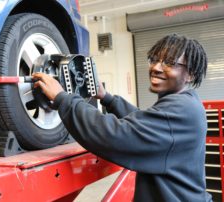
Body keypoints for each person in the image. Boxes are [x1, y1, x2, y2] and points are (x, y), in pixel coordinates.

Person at [32, 33, 211, 202]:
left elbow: (114, 135)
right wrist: (107, 98)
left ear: (190, 75)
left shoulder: (180, 110)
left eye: (170, 63)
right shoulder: (186, 103)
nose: (156, 68)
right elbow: (144, 123)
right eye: (154, 60)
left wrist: (63, 98)